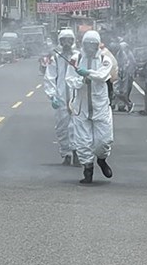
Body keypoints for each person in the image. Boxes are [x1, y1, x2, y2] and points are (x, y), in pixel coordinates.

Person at [67, 30, 114, 184]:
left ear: (97, 45)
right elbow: (70, 79)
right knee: (82, 141)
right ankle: (88, 169)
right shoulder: (76, 58)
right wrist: (81, 81)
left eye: (93, 44)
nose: (89, 47)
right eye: (87, 44)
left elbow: (102, 75)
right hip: (81, 107)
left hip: (100, 106)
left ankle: (101, 159)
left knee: (104, 141)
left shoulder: (104, 59)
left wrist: (88, 73)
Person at [43, 28, 80, 165]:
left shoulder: (78, 56)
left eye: (69, 40)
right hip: (61, 96)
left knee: (76, 126)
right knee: (62, 126)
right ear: (60, 41)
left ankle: (77, 152)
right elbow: (50, 77)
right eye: (64, 40)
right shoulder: (56, 58)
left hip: (76, 95)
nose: (66, 43)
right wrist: (52, 95)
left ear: (73, 41)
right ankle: (66, 153)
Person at [113, 41, 136, 112]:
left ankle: (126, 104)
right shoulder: (119, 53)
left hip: (126, 75)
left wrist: (129, 73)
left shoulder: (128, 54)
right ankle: (120, 105)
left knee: (121, 91)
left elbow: (130, 64)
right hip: (121, 74)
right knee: (119, 90)